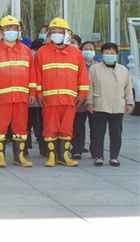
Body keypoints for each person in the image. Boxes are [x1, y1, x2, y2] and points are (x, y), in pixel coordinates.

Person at [34, 18, 89, 167]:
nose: (57, 34)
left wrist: (82, 94)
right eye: (53, 31)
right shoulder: (42, 52)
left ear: (66, 34)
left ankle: (63, 157)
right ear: (49, 34)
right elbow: (37, 76)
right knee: (49, 128)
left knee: (66, 128)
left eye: (60, 31)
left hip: (70, 99)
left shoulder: (76, 53)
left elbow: (82, 76)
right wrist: (39, 94)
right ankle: (51, 157)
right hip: (49, 99)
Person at [0, 16, 37, 167]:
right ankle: (0, 157)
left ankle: (18, 157)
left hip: (21, 97)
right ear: (1, 31)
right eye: (8, 28)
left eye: (14, 28)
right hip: (1, 98)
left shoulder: (26, 51)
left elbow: (32, 74)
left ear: (20, 30)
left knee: (20, 127)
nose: (11, 31)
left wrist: (32, 92)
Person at [86, 43, 134, 167]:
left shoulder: (123, 70)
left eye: (112, 53)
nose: (109, 55)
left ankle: (114, 157)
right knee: (98, 132)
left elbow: (128, 88)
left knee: (116, 133)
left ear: (117, 54)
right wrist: (89, 102)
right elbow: (89, 87)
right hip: (100, 105)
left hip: (117, 105)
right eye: (106, 53)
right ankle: (98, 156)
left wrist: (129, 103)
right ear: (102, 54)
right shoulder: (94, 69)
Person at [71, 41, 98, 159]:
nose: (88, 51)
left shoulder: (98, 66)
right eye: (86, 49)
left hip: (95, 102)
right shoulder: (76, 64)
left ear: (95, 51)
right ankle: (77, 149)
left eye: (91, 49)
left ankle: (96, 151)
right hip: (80, 101)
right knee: (78, 127)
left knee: (96, 128)